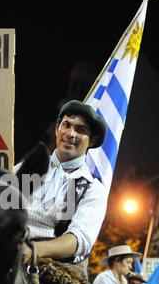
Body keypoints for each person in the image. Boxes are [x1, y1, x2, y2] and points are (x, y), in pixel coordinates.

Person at [21, 100, 108, 269]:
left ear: (92, 141)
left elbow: (79, 239)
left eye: (80, 130)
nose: (71, 133)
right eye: (66, 125)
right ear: (56, 129)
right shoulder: (24, 168)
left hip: (56, 268)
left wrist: (34, 250)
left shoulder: (93, 189)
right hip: (8, 252)